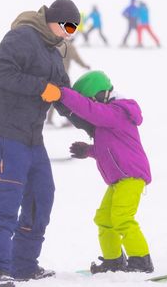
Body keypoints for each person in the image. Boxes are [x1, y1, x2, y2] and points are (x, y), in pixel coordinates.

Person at [0, 0, 81, 287]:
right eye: (68, 26)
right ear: (54, 19)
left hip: (33, 138)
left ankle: (23, 264)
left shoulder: (52, 51)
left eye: (74, 29)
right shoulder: (23, 36)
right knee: (6, 202)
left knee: (41, 196)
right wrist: (41, 88)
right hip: (6, 133)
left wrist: (95, 119)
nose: (69, 33)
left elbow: (63, 93)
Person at [58, 70, 154, 274]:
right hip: (120, 179)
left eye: (90, 100)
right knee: (104, 219)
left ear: (99, 95)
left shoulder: (117, 112)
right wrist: (89, 151)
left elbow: (91, 111)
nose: (90, 105)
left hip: (131, 176)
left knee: (122, 217)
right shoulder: (107, 119)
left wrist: (62, 94)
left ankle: (141, 261)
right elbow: (110, 148)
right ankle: (113, 261)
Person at [46, 40, 90, 126]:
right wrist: (85, 66)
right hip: (62, 76)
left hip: (51, 75)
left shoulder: (55, 44)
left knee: (54, 95)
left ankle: (49, 119)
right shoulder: (69, 46)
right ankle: (70, 119)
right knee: (68, 97)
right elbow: (77, 58)